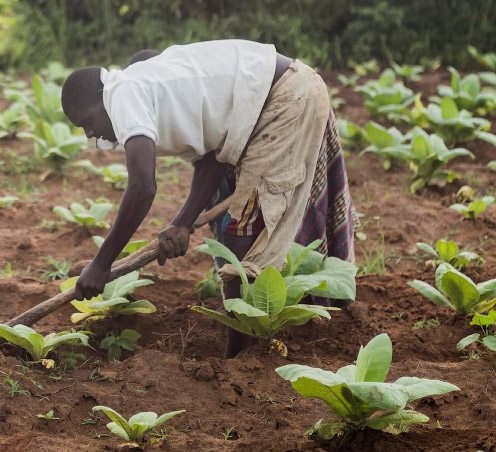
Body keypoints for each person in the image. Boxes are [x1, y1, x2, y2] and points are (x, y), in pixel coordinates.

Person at [62, 39, 355, 358]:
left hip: (283, 100)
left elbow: (143, 187)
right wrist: (180, 225)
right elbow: (211, 159)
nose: (92, 135)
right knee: (242, 233)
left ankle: (240, 360)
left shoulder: (122, 92)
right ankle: (248, 348)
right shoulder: (148, 91)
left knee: (243, 240)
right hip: (280, 97)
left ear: (101, 97)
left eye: (88, 122)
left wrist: (100, 264)